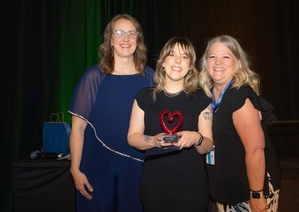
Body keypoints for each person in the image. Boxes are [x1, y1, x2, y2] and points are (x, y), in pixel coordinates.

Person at [68, 14, 154, 212]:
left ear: (138, 39)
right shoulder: (93, 77)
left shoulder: (150, 77)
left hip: (137, 165)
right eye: (119, 33)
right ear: (110, 40)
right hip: (96, 165)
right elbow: (78, 129)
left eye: (131, 33)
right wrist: (75, 169)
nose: (126, 39)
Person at [127, 37, 213, 212]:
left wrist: (196, 138)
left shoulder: (202, 98)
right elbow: (132, 137)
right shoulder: (144, 96)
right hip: (154, 184)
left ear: (190, 67)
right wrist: (153, 141)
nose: (178, 61)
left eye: (184, 57)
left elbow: (207, 146)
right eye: (172, 54)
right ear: (163, 62)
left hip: (192, 184)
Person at [199, 35, 281, 212]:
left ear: (237, 62)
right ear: (206, 62)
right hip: (227, 188)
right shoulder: (207, 96)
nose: (218, 62)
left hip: (250, 191)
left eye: (226, 57)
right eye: (212, 57)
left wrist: (256, 194)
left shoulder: (239, 96)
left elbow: (256, 150)